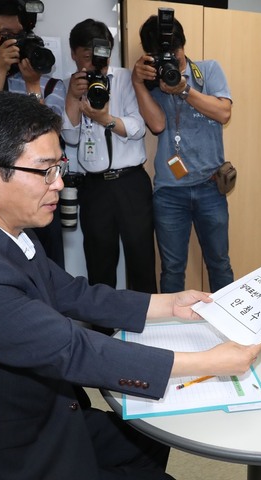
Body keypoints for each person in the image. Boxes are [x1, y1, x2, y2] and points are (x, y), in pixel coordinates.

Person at [0, 91, 261, 479]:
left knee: (152, 438)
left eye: (58, 166)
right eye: (44, 171)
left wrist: (169, 304)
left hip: (40, 413)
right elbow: (72, 350)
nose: (59, 184)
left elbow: (72, 293)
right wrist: (210, 362)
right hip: (3, 454)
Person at [132, 12, 234, 294]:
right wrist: (139, 83)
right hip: (169, 192)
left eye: (174, 55)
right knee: (172, 269)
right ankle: (171, 334)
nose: (170, 62)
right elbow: (157, 124)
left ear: (183, 46)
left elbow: (224, 112)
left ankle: (229, 327)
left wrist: (184, 89)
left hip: (211, 187)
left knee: (220, 263)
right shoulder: (151, 82)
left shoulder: (208, 70)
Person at [0, 0, 66, 268]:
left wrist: (33, 84)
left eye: (19, 35)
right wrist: (0, 69)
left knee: (50, 266)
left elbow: (53, 132)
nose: (16, 42)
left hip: (40, 190)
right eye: (7, 36)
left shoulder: (50, 81)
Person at [62, 19, 156, 296]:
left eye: (100, 55)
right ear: (74, 55)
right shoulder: (71, 85)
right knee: (99, 264)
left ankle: (148, 328)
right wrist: (71, 98)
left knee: (142, 260)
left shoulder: (127, 78)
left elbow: (138, 127)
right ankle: (102, 333)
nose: (95, 64)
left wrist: (105, 119)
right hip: (94, 187)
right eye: (87, 57)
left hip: (131, 183)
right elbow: (69, 138)